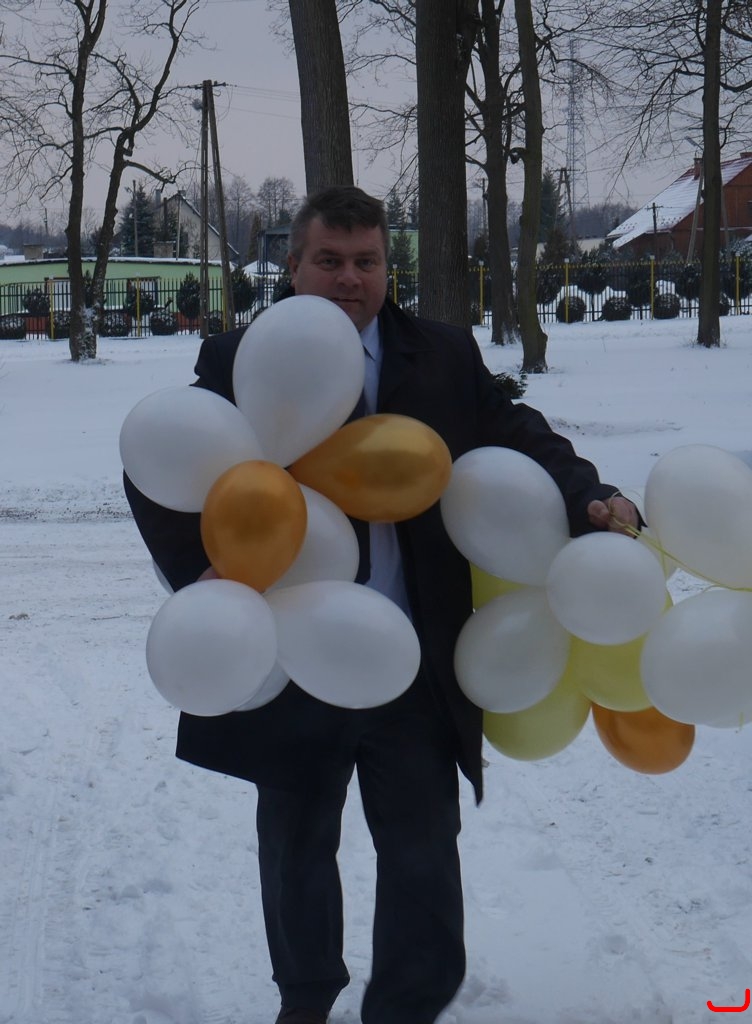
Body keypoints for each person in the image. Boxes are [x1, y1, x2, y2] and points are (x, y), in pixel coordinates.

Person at [124, 186, 639, 1024]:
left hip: (412, 655)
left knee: (423, 850)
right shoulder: (236, 359)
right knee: (295, 847)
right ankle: (305, 999)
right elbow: (165, 470)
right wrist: (203, 574)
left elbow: (516, 432)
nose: (349, 278)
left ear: (385, 268)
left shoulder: (441, 354)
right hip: (293, 656)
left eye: (366, 262)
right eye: (328, 260)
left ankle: (406, 1007)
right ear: (293, 267)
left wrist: (590, 494)